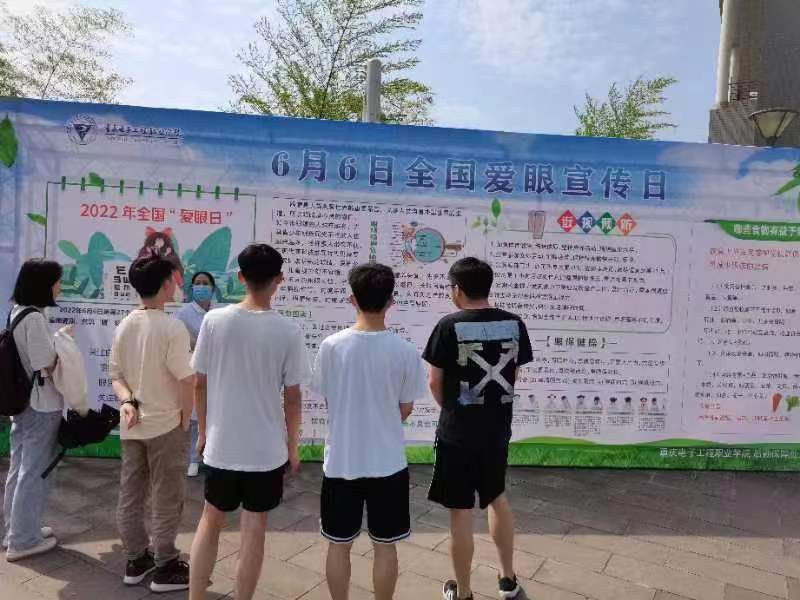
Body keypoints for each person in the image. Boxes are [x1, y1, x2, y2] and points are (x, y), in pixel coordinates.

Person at [189, 244, 309, 600]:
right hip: (266, 451)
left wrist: (203, 433)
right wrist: (293, 446)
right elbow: (293, 397)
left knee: (210, 520)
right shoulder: (288, 330)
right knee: (254, 529)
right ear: (279, 280)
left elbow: (199, 383)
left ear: (240, 277)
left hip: (221, 445)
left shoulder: (214, 321)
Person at [312, 263, 428, 600]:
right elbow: (405, 408)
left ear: (352, 298)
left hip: (341, 463)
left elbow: (330, 398)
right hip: (388, 463)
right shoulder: (405, 351)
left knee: (338, 544)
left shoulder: (331, 346)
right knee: (386, 546)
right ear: (391, 300)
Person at [423, 257, 532, 600]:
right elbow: (513, 375)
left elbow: (434, 382)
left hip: (456, 433)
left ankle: (465, 591)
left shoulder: (448, 326)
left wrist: (452, 409)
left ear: (457, 289)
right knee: (497, 497)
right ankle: (508, 581)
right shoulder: (514, 323)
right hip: (497, 430)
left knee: (460, 511)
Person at [110, 254, 194, 593]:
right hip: (166, 425)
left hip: (132, 425)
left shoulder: (125, 324)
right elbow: (187, 379)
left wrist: (127, 401)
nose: (177, 284)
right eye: (174, 279)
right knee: (166, 495)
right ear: (165, 284)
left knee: (131, 493)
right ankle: (166, 564)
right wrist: (186, 418)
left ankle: (136, 558)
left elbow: (116, 376)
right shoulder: (172, 327)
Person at [3, 259, 71, 561]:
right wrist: (63, 343)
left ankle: (17, 529)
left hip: (22, 403)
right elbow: (45, 362)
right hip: (40, 403)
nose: (59, 287)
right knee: (33, 471)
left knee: (20, 467)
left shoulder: (17, 312)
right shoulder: (34, 318)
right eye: (57, 281)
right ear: (43, 285)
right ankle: (23, 540)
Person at [175, 271, 216, 477]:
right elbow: (177, 340)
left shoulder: (220, 312)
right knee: (194, 416)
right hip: (194, 368)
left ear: (213, 288)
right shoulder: (183, 313)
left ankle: (212, 457)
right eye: (197, 283)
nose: (201, 286)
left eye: (205, 283)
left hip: (217, 370)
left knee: (214, 413)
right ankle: (193, 459)